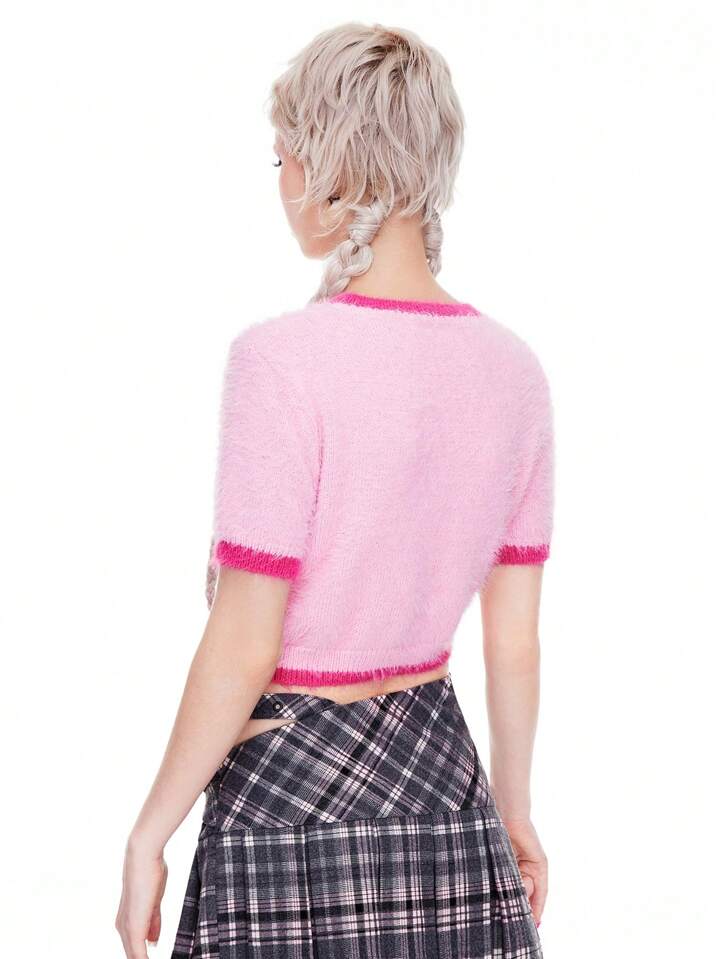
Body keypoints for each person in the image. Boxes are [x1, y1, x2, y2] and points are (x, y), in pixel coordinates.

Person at [115, 21, 553, 959]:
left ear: (336, 169)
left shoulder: (281, 360)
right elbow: (513, 641)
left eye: (284, 157)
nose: (280, 183)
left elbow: (245, 636)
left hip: (289, 785)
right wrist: (513, 812)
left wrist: (152, 828)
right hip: (443, 782)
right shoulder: (515, 372)